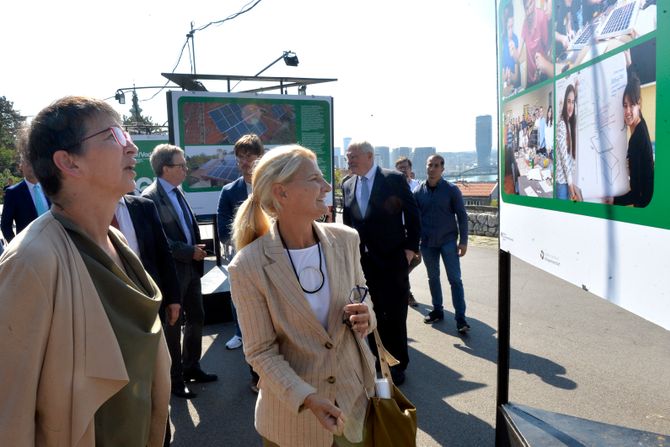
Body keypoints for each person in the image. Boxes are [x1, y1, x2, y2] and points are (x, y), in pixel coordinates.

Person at [0, 96, 170, 445]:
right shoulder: (31, 261)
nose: (132, 146)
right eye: (113, 135)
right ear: (68, 162)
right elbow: (10, 415)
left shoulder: (117, 241)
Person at [228, 145, 377, 447]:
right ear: (281, 193)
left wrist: (367, 317)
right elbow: (260, 352)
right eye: (315, 180)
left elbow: (364, 297)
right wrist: (308, 397)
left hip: (355, 407)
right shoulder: (247, 266)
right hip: (292, 422)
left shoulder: (346, 239)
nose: (327, 187)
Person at [143, 144, 218, 399]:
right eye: (181, 165)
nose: (187, 169)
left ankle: (191, 367)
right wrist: (189, 251)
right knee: (173, 327)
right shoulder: (150, 197)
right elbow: (158, 240)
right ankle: (174, 380)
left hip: (192, 271)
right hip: (172, 273)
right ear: (166, 168)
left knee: (197, 317)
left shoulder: (177, 191)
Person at [342, 140, 420, 385]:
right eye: (347, 157)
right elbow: (348, 225)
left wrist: (410, 249)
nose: (349, 161)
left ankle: (397, 365)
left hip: (392, 259)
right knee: (371, 312)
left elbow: (413, 215)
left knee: (395, 314)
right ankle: (377, 360)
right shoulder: (347, 184)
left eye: (353, 156)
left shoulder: (394, 179)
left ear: (369, 156)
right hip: (362, 262)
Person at [216, 133, 263, 392]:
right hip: (242, 257)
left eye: (249, 156)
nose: (244, 161)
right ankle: (241, 334)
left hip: (272, 258)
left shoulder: (271, 185)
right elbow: (223, 227)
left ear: (260, 157)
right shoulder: (229, 191)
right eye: (240, 157)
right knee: (242, 303)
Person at [414, 155, 471, 334]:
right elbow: (414, 220)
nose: (432, 168)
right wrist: (414, 244)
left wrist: (463, 241)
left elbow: (462, 216)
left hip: (448, 242)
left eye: (436, 165)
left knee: (455, 280)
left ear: (442, 169)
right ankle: (437, 310)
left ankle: (460, 318)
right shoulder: (418, 192)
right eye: (430, 165)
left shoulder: (451, 190)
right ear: (426, 167)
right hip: (427, 243)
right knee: (433, 278)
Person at [612, 72, 654, 207]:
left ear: (639, 104)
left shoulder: (636, 141)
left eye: (632, 105)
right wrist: (630, 66)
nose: (628, 111)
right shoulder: (641, 123)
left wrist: (613, 200)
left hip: (645, 204)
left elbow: (636, 195)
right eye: (625, 105)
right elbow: (635, 83)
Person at [1, 137, 51, 242]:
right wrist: (16, 248)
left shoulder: (50, 187)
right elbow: (6, 225)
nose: (31, 166)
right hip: (29, 248)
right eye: (27, 163)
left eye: (33, 162)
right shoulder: (13, 193)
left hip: (54, 245)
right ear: (21, 167)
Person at [394, 156, 422, 308]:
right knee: (404, 262)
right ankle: (406, 293)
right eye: (400, 168)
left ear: (411, 170)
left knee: (416, 260)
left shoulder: (417, 186)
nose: (403, 170)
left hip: (413, 231)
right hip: (398, 232)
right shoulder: (392, 187)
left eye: (405, 167)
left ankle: (398, 281)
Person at [511, 0, 552, 87]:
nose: (528, 11)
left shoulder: (542, 17)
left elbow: (547, 47)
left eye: (530, 5)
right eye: (526, 8)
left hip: (542, 74)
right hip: (530, 79)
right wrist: (514, 52)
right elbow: (518, 54)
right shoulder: (525, 23)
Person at [556, 83, 581, 200]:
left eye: (572, 102)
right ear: (565, 103)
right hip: (562, 183)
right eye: (568, 101)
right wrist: (571, 187)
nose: (571, 105)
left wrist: (576, 90)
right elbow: (565, 161)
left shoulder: (570, 123)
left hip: (568, 181)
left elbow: (575, 108)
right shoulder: (562, 125)